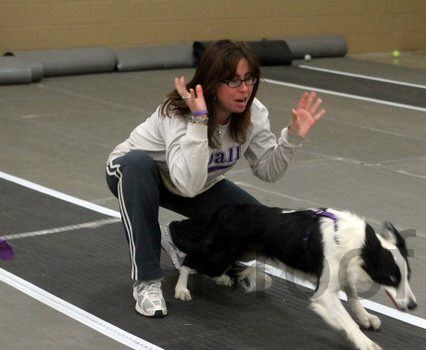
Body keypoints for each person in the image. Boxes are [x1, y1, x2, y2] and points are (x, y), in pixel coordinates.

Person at [105, 40, 325, 317]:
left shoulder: (254, 113)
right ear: (212, 82)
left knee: (258, 226)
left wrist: (292, 137)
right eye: (233, 81)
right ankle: (147, 281)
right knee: (137, 164)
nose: (244, 89)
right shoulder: (177, 111)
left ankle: (180, 239)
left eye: (249, 79)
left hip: (195, 181)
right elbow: (188, 185)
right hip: (136, 175)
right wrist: (199, 122)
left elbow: (268, 171)